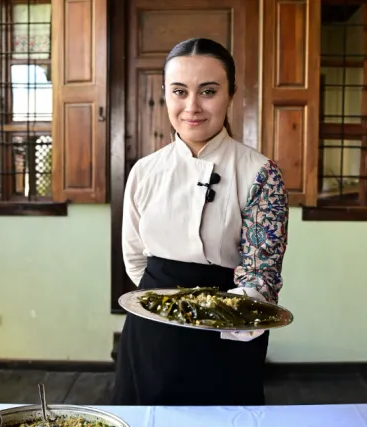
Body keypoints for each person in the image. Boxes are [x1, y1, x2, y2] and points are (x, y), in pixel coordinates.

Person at [112, 37, 289, 407]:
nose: (192, 106)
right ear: (165, 94)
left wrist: (227, 313)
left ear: (231, 94)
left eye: (208, 91)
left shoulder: (260, 172)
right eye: (179, 91)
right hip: (152, 328)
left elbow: (262, 271)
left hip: (230, 323)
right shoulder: (144, 172)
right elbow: (135, 259)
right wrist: (166, 304)